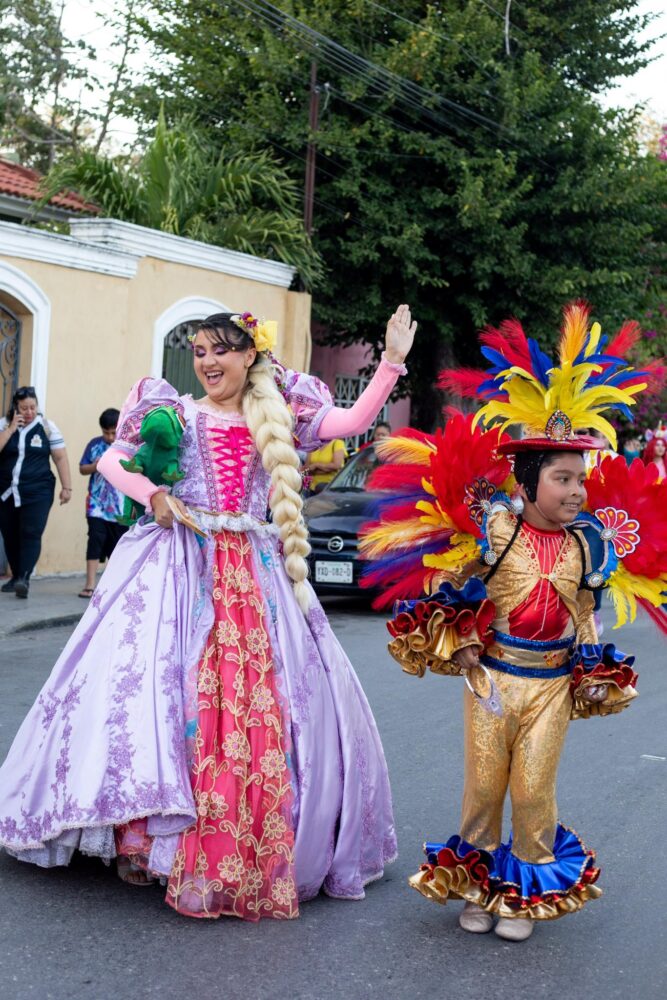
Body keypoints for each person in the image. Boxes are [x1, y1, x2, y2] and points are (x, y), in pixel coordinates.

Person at [0, 304, 416, 921]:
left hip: (254, 572)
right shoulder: (173, 411)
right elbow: (116, 460)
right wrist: (157, 494)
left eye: (221, 350)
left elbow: (353, 419)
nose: (207, 362)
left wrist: (390, 363)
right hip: (175, 564)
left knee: (259, 706)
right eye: (199, 351)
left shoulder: (278, 412)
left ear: (251, 355)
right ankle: (141, 837)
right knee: (153, 698)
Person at [361, 303, 663, 942]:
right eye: (561, 479)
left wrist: (591, 662)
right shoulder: (498, 531)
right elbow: (452, 582)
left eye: (579, 479)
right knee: (482, 792)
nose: (577, 491)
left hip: (551, 684)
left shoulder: (588, 544)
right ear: (527, 485)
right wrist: (464, 645)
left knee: (531, 793)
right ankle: (476, 888)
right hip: (491, 681)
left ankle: (521, 896)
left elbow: (584, 611)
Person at [0, 386, 72, 598]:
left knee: (31, 532)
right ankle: (15, 577)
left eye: (32, 407)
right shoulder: (4, 425)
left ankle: (24, 577)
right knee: (10, 535)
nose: (29, 412)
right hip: (6, 492)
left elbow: (60, 457)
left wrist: (66, 487)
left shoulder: (48, 427)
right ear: (16, 407)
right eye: (24, 408)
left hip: (38, 491)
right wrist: (12, 428)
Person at [78, 408, 128, 598]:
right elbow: (83, 468)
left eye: (113, 432)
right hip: (96, 506)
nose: (109, 437)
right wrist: (95, 465)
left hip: (120, 508)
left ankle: (112, 588)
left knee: (117, 548)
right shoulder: (95, 445)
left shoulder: (126, 447)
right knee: (95, 541)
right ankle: (90, 585)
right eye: (106, 433)